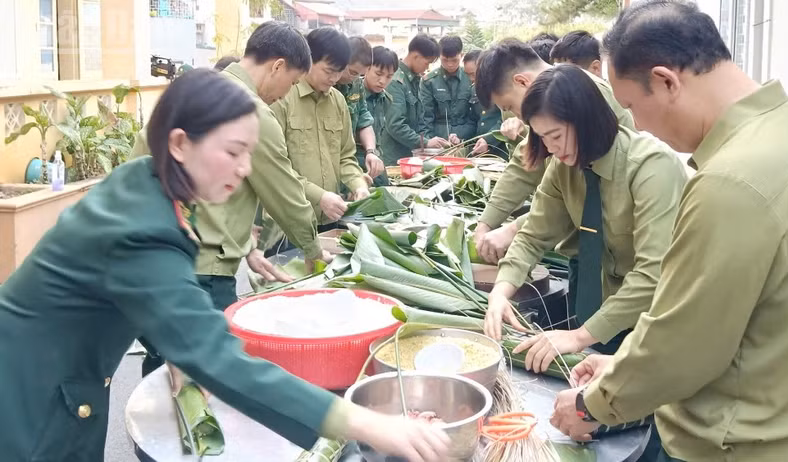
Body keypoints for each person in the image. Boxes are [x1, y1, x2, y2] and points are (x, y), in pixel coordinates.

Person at [0, 68, 450, 462]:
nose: (243, 168)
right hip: (31, 404)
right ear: (180, 143)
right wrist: (370, 424)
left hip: (58, 384)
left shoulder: (145, 184)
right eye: (232, 152)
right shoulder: (143, 230)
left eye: (248, 153)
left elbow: (129, 292)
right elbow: (217, 356)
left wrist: (172, 334)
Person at [549, 2, 788, 461]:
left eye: (633, 105)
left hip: (737, 444)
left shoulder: (730, 183)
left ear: (667, 81)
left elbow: (682, 345)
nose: (636, 124)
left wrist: (591, 404)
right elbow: (752, 316)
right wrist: (621, 364)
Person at [131, 21, 331, 376]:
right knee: (214, 375)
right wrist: (314, 254)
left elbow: (142, 171)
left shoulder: (187, 93)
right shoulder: (251, 112)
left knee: (167, 364)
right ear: (277, 66)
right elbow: (286, 196)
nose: (285, 94)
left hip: (153, 265)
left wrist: (245, 246)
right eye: (291, 83)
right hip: (203, 276)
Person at [483, 64, 687, 368]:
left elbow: (652, 275)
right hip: (604, 312)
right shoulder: (564, 166)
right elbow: (533, 235)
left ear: (586, 121)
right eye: (542, 138)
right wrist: (500, 293)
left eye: (555, 136)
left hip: (659, 325)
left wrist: (578, 336)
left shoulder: (651, 167)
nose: (551, 149)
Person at [472, 39, 635, 265]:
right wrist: (486, 223)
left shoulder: (582, 94)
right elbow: (524, 164)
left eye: (509, 107)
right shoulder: (546, 110)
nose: (517, 117)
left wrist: (513, 229)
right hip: (587, 248)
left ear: (521, 82)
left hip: (610, 255)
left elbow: (584, 194)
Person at [270, 27, 371, 227]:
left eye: (340, 72)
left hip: (330, 217)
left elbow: (345, 157)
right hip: (289, 222)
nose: (334, 78)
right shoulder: (282, 98)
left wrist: (359, 185)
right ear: (309, 60)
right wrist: (319, 196)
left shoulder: (338, 101)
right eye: (328, 71)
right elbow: (275, 167)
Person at [382, 34, 448, 165]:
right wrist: (425, 142)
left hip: (410, 155)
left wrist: (429, 142)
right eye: (427, 62)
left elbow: (420, 120)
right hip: (394, 157)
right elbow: (395, 125)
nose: (427, 67)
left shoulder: (414, 79)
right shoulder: (396, 81)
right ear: (416, 56)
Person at [335, 36, 387, 186]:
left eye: (360, 74)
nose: (355, 78)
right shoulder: (327, 86)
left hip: (349, 159)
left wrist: (371, 151)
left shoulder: (356, 84)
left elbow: (363, 119)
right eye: (352, 72)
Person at [419, 35, 476, 146]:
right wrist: (428, 143)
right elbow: (426, 118)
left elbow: (475, 116)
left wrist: (462, 138)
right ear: (439, 57)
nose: (450, 64)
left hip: (466, 141)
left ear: (462, 55)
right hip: (438, 142)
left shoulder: (470, 77)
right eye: (445, 60)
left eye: (454, 60)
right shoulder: (429, 81)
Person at [361, 46, 400, 185]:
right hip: (354, 163)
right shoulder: (353, 96)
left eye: (389, 76)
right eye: (378, 73)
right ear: (367, 68)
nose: (383, 81)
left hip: (376, 161)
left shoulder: (386, 100)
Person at [463, 49, 506, 158]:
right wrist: (461, 138)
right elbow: (473, 120)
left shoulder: (501, 88)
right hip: (479, 149)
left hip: (500, 148)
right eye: (467, 75)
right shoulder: (474, 90)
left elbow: (505, 120)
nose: (471, 79)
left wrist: (488, 140)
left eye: (473, 74)